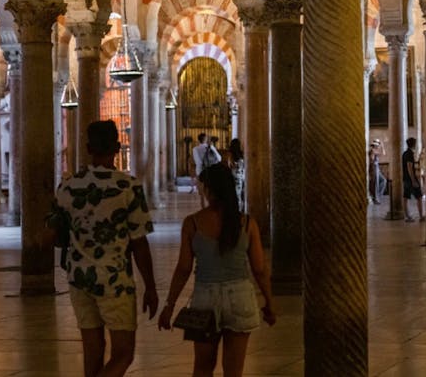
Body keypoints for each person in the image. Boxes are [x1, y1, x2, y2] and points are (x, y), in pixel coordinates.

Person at [51, 120, 158, 377]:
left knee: (93, 351)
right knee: (124, 353)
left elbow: (55, 235)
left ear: (88, 148)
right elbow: (139, 242)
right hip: (115, 282)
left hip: (79, 278)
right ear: (118, 148)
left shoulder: (68, 187)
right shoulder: (127, 188)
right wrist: (151, 287)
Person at [158, 163, 276, 377]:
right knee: (234, 371)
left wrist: (169, 305)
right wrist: (268, 301)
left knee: (203, 368)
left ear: (209, 190)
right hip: (240, 297)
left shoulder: (192, 223)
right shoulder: (248, 223)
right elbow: (259, 269)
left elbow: (184, 269)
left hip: (204, 299)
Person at [193, 133, 222, 208]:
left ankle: (203, 209)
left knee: (202, 193)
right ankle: (211, 208)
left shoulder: (195, 149)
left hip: (201, 172)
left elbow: (198, 162)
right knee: (211, 191)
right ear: (206, 139)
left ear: (198, 140)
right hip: (212, 171)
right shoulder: (211, 147)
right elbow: (219, 159)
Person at [402, 137, 424, 222]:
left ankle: (407, 217)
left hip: (405, 178)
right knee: (419, 197)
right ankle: (421, 216)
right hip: (410, 179)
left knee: (405, 197)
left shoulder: (404, 153)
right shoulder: (409, 154)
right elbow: (409, 167)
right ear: (413, 144)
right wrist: (413, 180)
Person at [368, 140, 387, 204]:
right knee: (376, 184)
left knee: (383, 180)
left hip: (377, 168)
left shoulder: (375, 151)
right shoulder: (373, 150)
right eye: (378, 145)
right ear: (375, 145)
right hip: (374, 167)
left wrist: (382, 146)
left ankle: (377, 196)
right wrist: (382, 146)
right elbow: (383, 153)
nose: (378, 146)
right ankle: (376, 199)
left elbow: (383, 154)